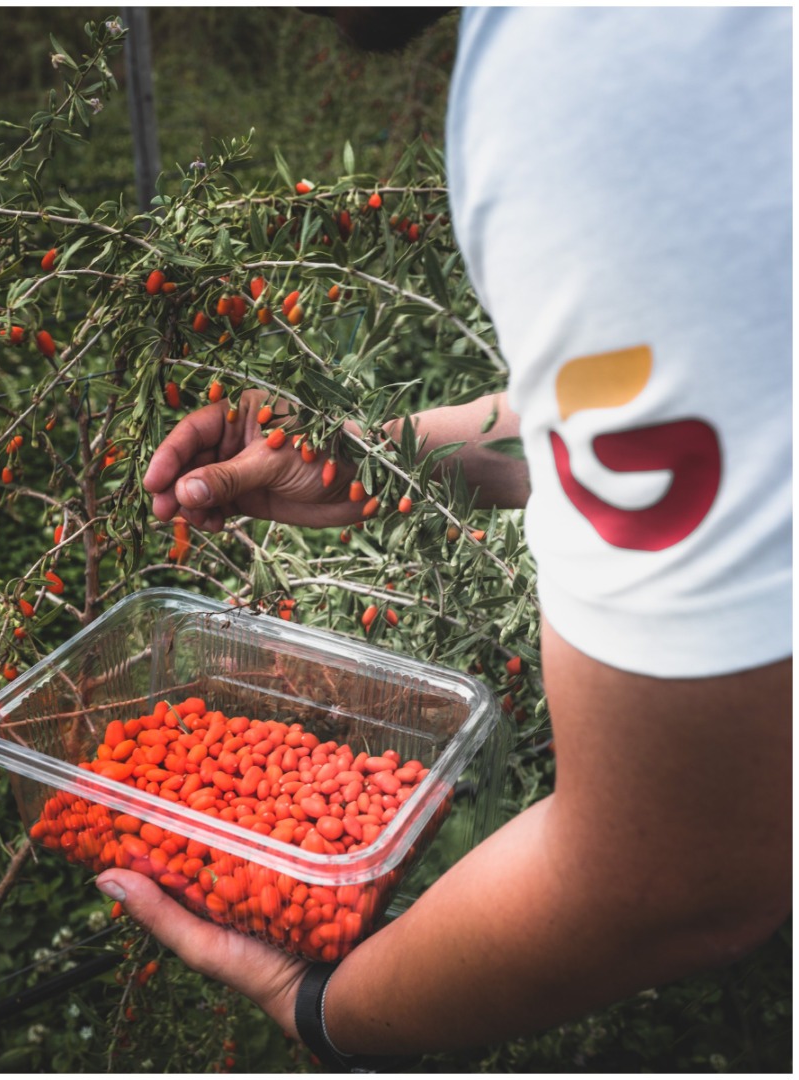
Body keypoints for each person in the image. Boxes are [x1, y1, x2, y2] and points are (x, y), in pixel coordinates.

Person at [109, 7, 792, 1069]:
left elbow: (680, 877)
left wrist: (324, 1005)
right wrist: (381, 454)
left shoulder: (608, 65)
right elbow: (694, 403)